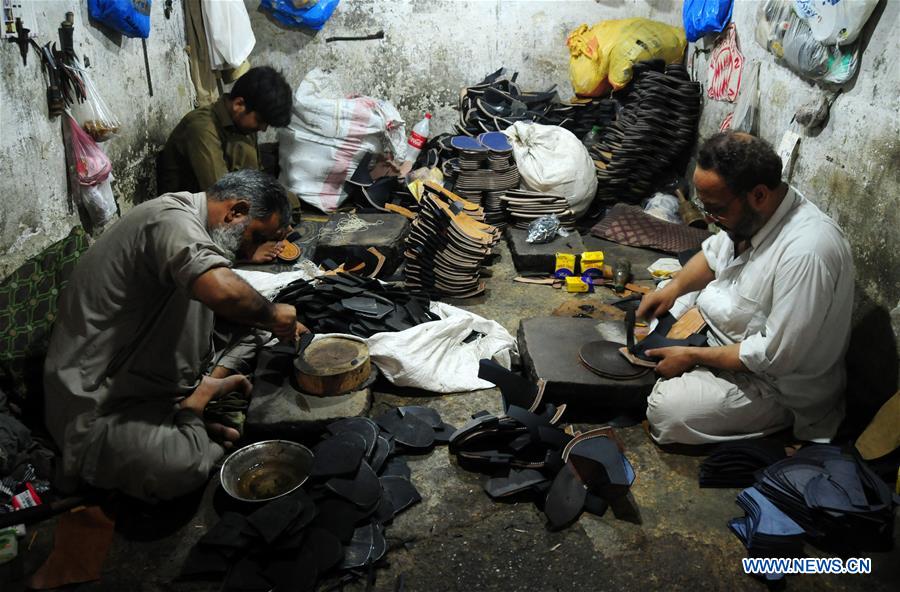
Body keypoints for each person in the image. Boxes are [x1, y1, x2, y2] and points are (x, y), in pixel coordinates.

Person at [44, 170, 307, 502]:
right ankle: (191, 414)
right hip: (101, 409)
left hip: (157, 380)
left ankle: (197, 397)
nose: (258, 247)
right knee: (182, 466)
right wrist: (274, 317)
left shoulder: (197, 228)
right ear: (236, 211)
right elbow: (223, 292)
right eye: (257, 236)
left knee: (254, 332)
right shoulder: (169, 218)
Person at [637, 132, 854, 445]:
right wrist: (672, 289)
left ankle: (770, 423)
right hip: (720, 337)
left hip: (773, 385)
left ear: (759, 195)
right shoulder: (748, 215)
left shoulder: (807, 252)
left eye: (716, 209)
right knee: (665, 294)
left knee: (667, 412)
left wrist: (693, 355)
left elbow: (772, 357)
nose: (710, 217)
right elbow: (712, 255)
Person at [156, 65, 295, 263]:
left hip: (231, 210)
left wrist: (277, 216)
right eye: (261, 121)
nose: (263, 129)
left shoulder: (243, 128)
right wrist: (252, 244)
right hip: (192, 222)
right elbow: (220, 197)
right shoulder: (201, 128)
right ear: (239, 104)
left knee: (287, 203)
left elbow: (257, 180)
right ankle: (242, 254)